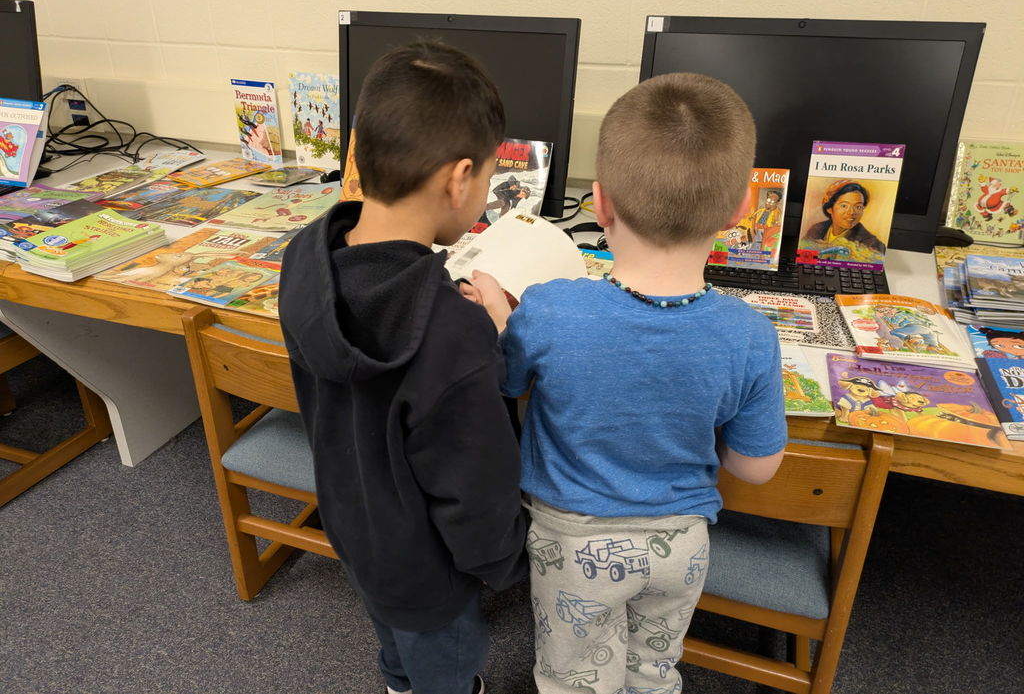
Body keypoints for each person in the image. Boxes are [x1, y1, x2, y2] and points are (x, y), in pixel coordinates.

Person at [474, 73, 788, 694]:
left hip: (573, 544)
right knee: (654, 669)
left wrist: (504, 324)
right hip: (682, 544)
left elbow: (506, 385)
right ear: (742, 209)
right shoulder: (750, 334)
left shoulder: (549, 311)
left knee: (574, 678)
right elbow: (757, 469)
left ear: (601, 202)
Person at [278, 41, 528, 694]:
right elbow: (477, 493)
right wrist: (505, 564)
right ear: (458, 178)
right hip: (430, 577)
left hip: (356, 529)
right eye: (488, 180)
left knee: (395, 648)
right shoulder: (457, 337)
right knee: (446, 665)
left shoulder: (305, 256)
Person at [801, 179, 886, 255]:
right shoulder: (816, 230)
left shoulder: (872, 245)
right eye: (844, 206)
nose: (851, 212)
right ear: (830, 208)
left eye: (858, 207)